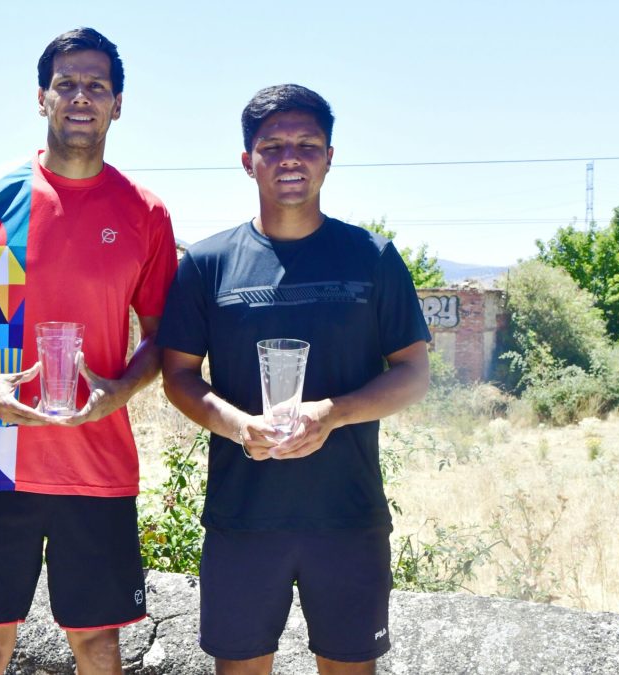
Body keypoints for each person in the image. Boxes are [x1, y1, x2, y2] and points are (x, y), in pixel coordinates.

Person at [0, 27, 177, 675]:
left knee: (98, 643)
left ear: (118, 104)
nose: (81, 97)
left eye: (97, 86)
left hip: (98, 455)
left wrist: (119, 391)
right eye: (67, 84)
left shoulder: (146, 213)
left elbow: (164, 336)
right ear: (41, 97)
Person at [156, 84, 431, 675]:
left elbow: (412, 371)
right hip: (242, 515)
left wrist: (331, 413)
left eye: (307, 144)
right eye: (272, 145)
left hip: (349, 515)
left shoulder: (372, 257)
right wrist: (236, 426)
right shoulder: (207, 263)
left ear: (330, 156)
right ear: (247, 160)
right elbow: (177, 374)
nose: (290, 158)